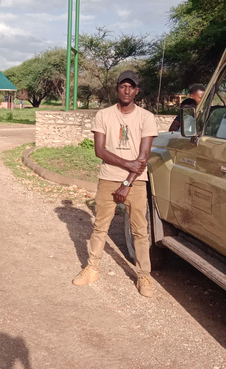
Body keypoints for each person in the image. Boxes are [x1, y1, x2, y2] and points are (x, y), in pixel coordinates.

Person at [72, 70, 158, 297]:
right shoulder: (104, 115)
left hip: (136, 183)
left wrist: (127, 182)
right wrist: (128, 164)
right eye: (123, 86)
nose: (127, 90)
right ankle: (92, 268)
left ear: (137, 91)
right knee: (100, 226)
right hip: (108, 177)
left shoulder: (146, 117)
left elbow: (144, 155)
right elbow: (100, 150)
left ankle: (144, 276)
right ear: (117, 89)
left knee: (140, 230)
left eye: (131, 87)